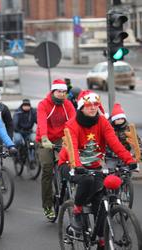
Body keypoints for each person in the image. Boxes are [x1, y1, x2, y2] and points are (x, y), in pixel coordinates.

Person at [58, 90, 137, 250]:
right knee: (87, 180)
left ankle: (101, 238)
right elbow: (72, 146)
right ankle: (77, 210)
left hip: (94, 166)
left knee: (101, 201)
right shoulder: (72, 124)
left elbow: (114, 143)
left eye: (95, 104)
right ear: (81, 107)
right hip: (70, 164)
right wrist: (78, 166)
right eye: (88, 105)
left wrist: (129, 159)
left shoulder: (102, 122)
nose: (93, 107)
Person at [36, 79, 76, 220]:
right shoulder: (43, 104)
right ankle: (47, 205)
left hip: (62, 138)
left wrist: (74, 137)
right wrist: (45, 138)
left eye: (64, 92)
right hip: (44, 138)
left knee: (69, 163)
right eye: (59, 91)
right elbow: (41, 122)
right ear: (53, 91)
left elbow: (73, 121)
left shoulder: (68, 104)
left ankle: (70, 191)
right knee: (47, 169)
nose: (62, 94)